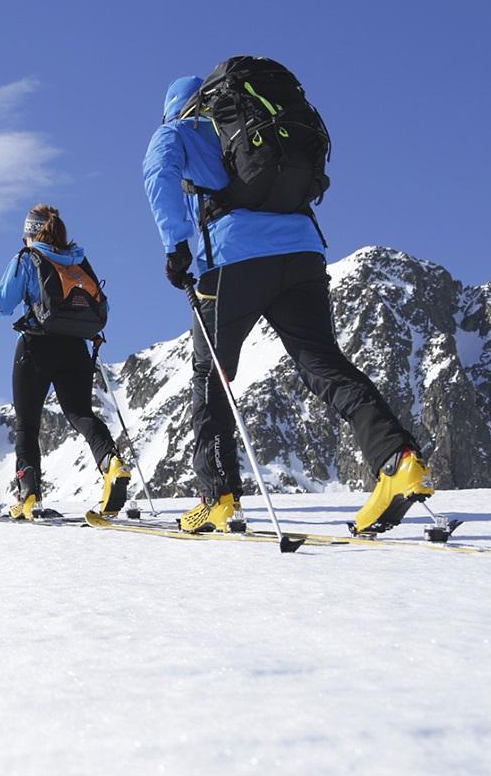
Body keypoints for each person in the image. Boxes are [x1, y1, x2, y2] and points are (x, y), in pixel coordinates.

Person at [143, 72, 434, 535]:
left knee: (211, 376)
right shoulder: (260, 121)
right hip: (302, 253)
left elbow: (157, 174)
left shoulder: (179, 130)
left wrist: (177, 248)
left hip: (234, 260)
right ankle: (399, 461)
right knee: (323, 363)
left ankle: (218, 498)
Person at [0, 205, 130, 519]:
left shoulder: (26, 259)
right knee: (81, 414)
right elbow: (103, 306)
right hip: (76, 347)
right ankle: (112, 464)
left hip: (36, 345)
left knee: (27, 424)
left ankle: (29, 496)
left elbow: (2, 307)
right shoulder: (78, 260)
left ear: (30, 233)